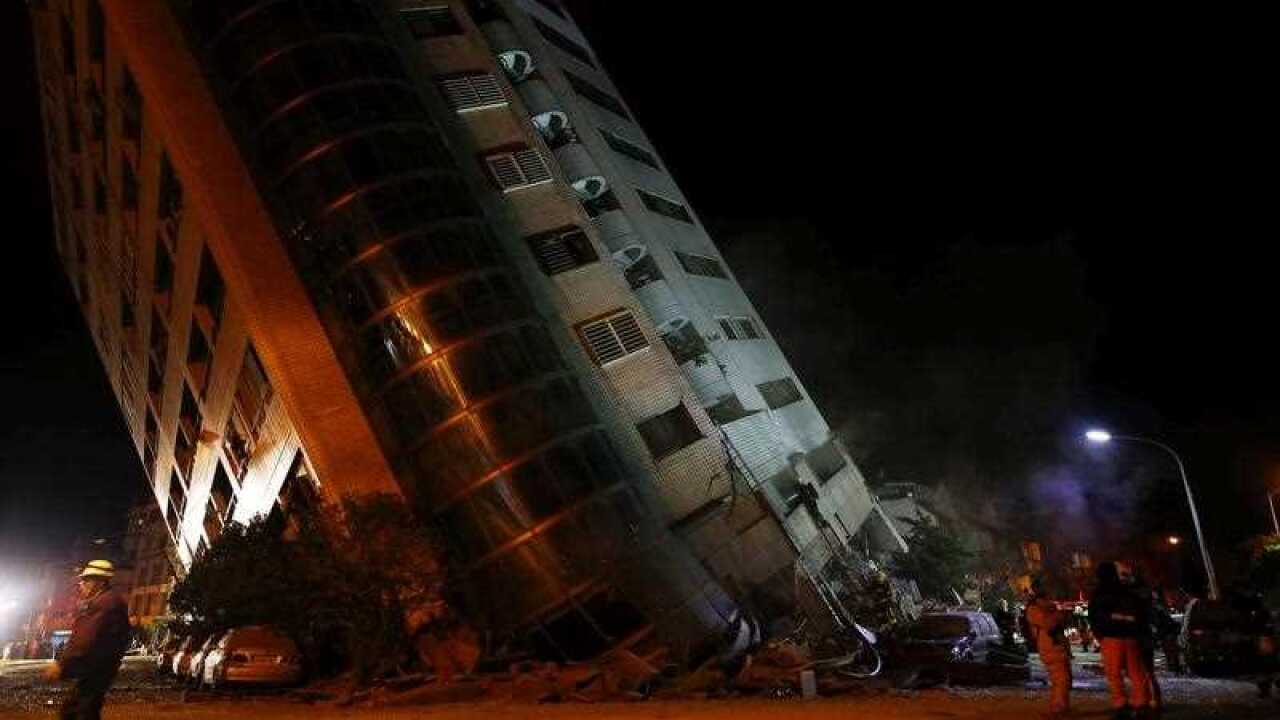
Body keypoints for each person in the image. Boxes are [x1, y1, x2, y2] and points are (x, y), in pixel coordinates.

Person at [41, 560, 131, 720]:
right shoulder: (109, 601)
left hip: (95, 670)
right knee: (80, 711)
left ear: (99, 582)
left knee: (77, 712)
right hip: (99, 670)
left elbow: (84, 640)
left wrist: (62, 665)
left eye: (85, 580)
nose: (81, 584)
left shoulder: (104, 604)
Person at [1088, 561, 1153, 719]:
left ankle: (1121, 705)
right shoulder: (1127, 591)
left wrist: (1100, 635)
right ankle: (1141, 703)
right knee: (1135, 672)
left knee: (1114, 673)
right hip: (1130, 636)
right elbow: (1140, 612)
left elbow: (1095, 616)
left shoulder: (1099, 593)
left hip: (1111, 637)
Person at [1025, 580, 1072, 717]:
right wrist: (1058, 616)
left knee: (1063, 678)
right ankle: (1058, 707)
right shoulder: (1035, 609)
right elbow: (1048, 624)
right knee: (1060, 678)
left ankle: (1061, 706)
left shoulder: (1047, 607)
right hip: (1050, 645)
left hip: (1055, 644)